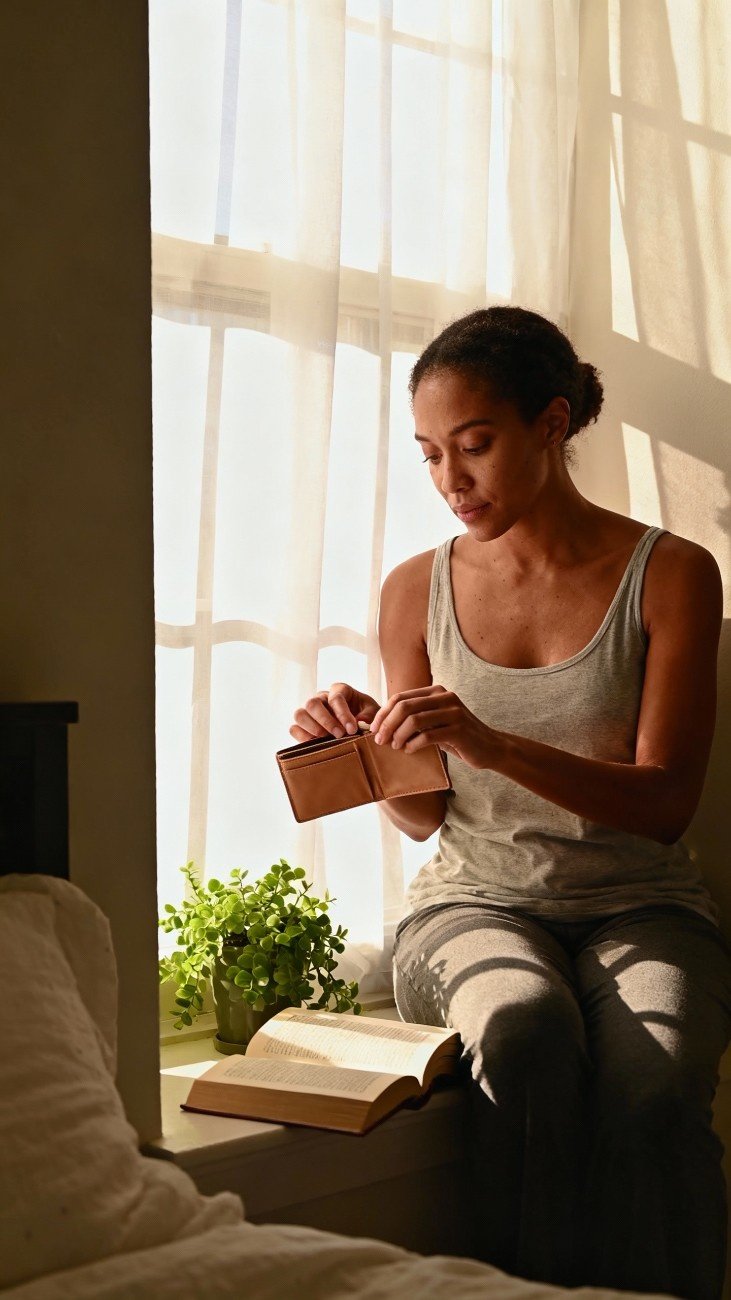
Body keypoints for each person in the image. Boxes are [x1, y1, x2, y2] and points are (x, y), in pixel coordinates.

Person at [289, 306, 731, 1300]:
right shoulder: (414, 589)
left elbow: (662, 803)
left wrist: (490, 740)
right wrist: (365, 749)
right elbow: (422, 815)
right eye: (429, 454)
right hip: (472, 907)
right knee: (523, 1032)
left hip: (639, 904)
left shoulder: (669, 574)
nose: (451, 479)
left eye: (475, 445)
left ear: (550, 422)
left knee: (653, 1084)